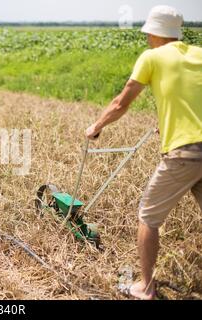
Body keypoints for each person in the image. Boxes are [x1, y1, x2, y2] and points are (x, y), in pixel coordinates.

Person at [85, 5, 202, 300]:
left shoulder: (152, 57)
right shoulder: (199, 54)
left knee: (148, 216)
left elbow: (121, 102)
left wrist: (96, 126)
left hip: (185, 154)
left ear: (154, 32)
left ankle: (145, 287)